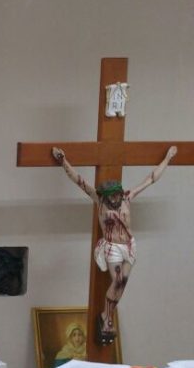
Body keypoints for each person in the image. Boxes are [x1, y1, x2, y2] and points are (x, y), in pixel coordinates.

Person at [52, 145, 177, 342]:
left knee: (123, 283)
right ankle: (107, 317)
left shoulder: (128, 197)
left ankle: (107, 316)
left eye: (116, 195)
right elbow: (79, 181)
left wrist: (168, 159)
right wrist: (63, 162)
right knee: (118, 281)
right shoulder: (99, 200)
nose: (115, 198)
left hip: (129, 246)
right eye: (111, 196)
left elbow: (151, 179)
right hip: (113, 248)